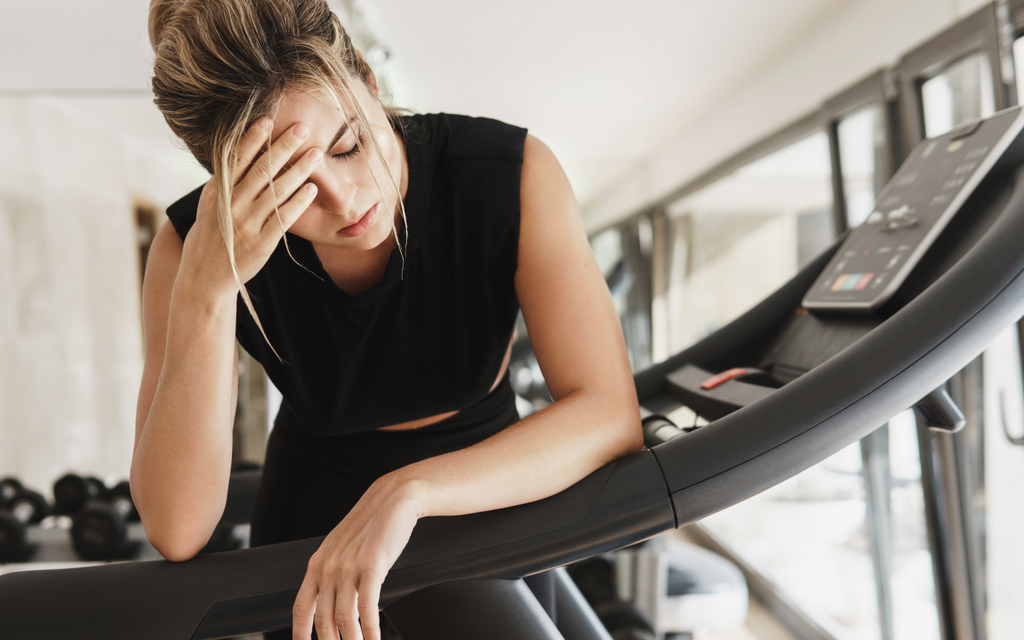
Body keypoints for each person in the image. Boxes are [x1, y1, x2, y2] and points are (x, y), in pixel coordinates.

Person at [132, 1, 642, 639]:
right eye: (289, 187)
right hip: (310, 527)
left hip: (486, 490)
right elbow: (177, 531)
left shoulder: (508, 175)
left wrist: (408, 491)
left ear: (370, 83)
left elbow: (610, 415)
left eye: (348, 144)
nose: (345, 200)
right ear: (224, 184)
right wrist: (205, 293)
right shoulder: (193, 248)